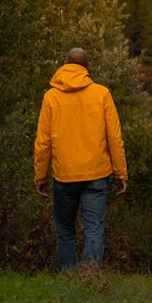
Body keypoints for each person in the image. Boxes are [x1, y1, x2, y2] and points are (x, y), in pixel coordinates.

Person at [34, 47, 127, 270]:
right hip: (97, 173)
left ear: (64, 66)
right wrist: (121, 173)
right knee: (94, 229)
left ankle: (68, 281)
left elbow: (43, 142)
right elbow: (114, 137)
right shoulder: (101, 93)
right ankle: (91, 279)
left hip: (64, 175)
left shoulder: (51, 97)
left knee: (65, 231)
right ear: (88, 67)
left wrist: (40, 177)